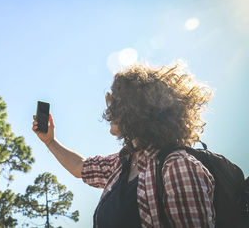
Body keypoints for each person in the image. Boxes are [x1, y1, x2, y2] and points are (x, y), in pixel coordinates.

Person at [32, 60, 216, 228]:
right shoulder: (121, 164)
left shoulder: (177, 166)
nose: (109, 109)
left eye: (118, 103)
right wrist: (50, 141)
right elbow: (80, 167)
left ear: (137, 109)